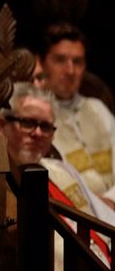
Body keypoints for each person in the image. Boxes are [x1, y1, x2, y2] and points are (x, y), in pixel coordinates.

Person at [0, 82, 115, 271]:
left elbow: (107, 221)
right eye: (28, 123)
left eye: (46, 127)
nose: (38, 133)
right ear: (1, 126)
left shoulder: (60, 170)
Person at [37, 22, 115, 207]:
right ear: (42, 63)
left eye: (77, 62)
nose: (70, 70)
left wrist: (111, 200)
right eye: (60, 60)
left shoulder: (97, 108)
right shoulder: (38, 119)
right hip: (76, 215)